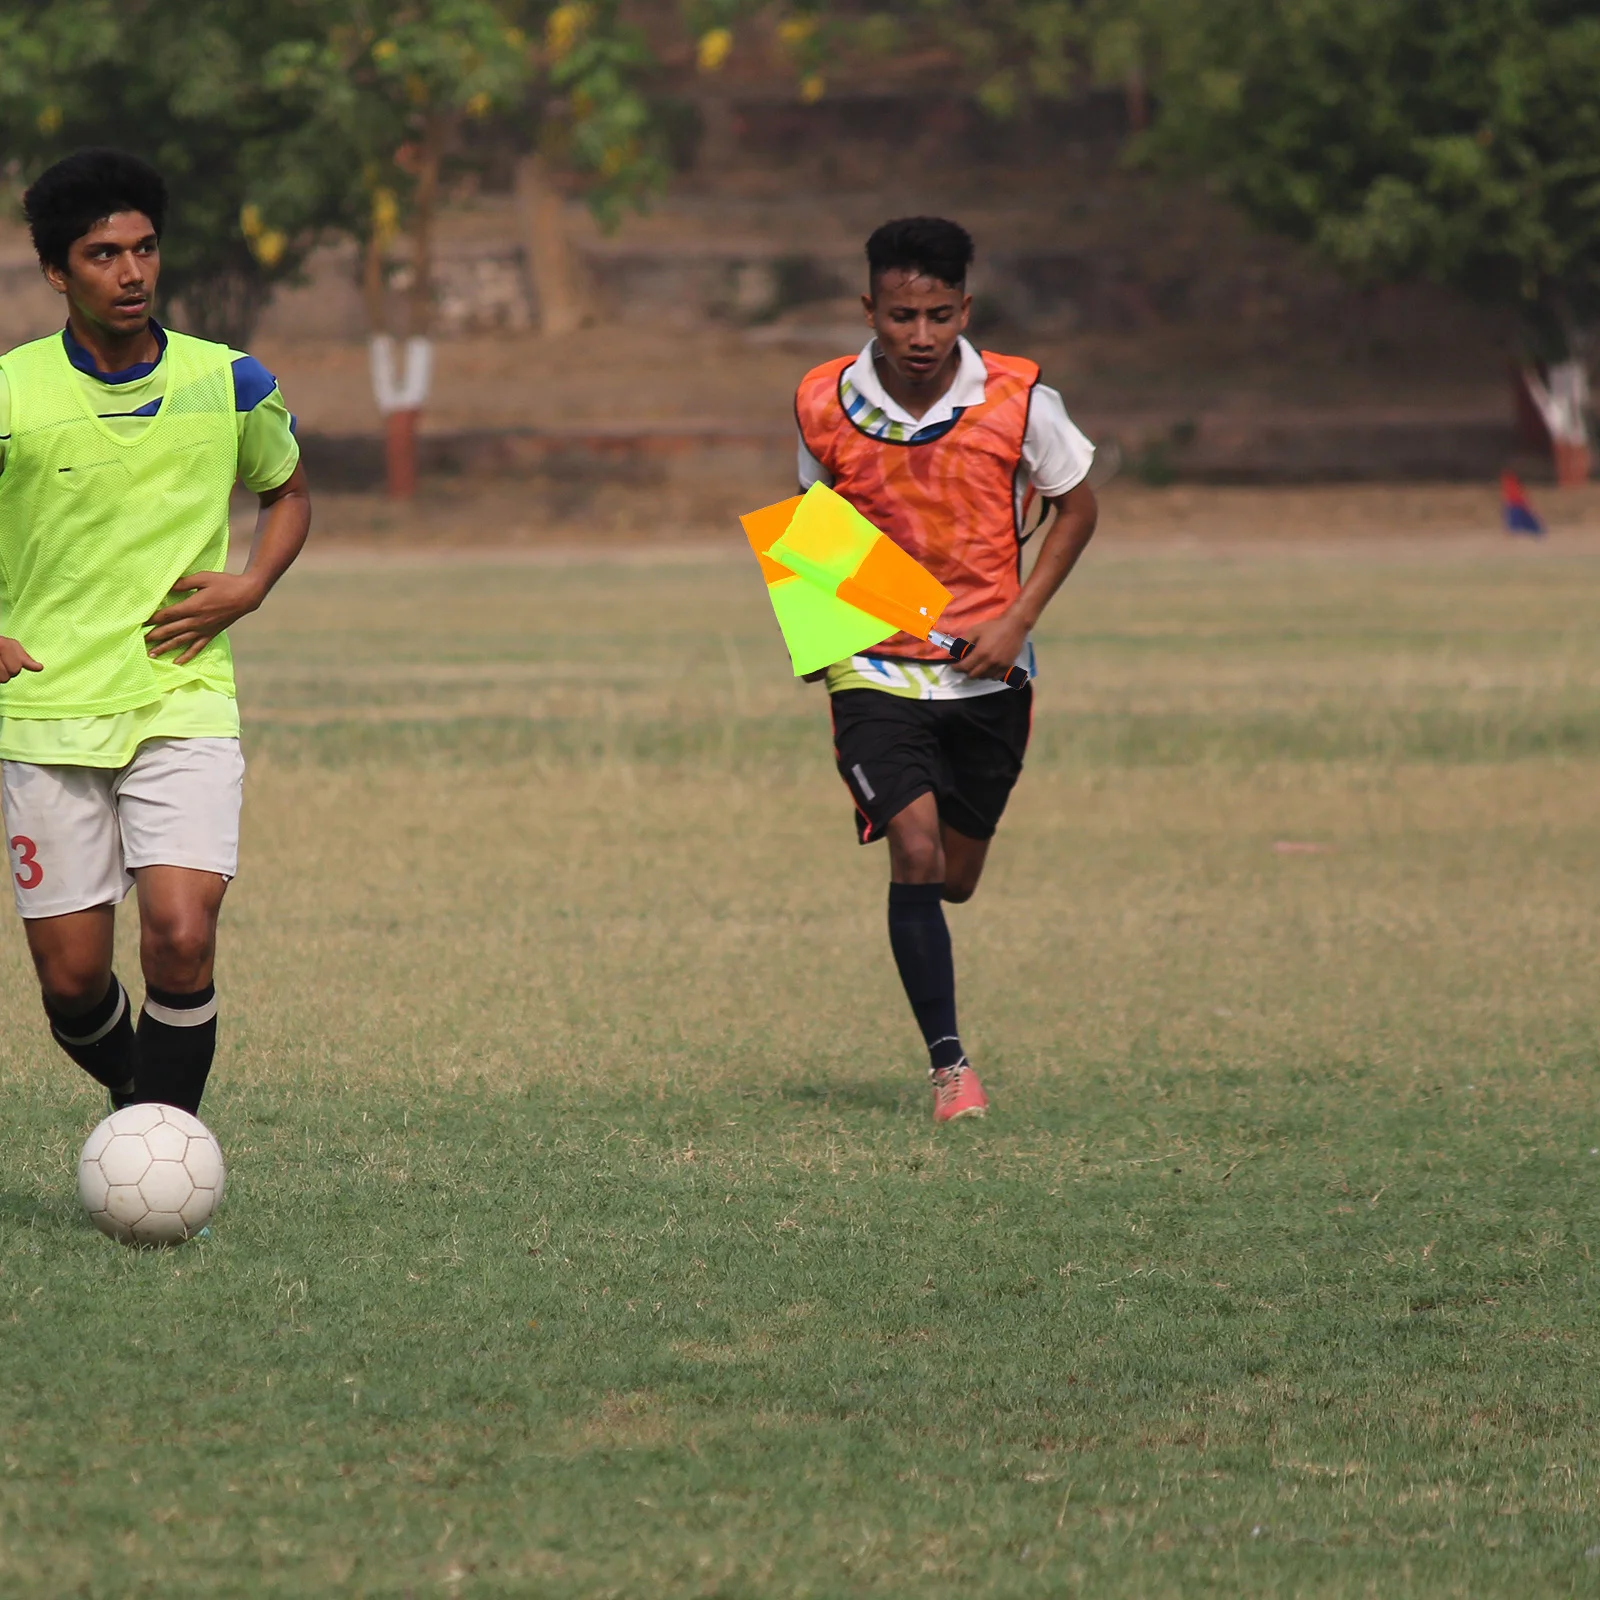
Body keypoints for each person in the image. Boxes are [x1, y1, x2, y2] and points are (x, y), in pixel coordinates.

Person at [0, 149, 310, 1116]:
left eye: (143, 249)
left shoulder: (232, 381)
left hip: (182, 695)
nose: (130, 273)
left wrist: (251, 583)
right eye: (101, 255)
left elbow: (287, 491)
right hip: (44, 709)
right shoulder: (11, 396)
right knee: (71, 983)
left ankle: (167, 1143)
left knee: (182, 932)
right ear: (57, 272)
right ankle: (143, 1106)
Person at [795, 216, 1098, 1122]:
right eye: (900, 316)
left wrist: (1017, 620)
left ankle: (939, 942)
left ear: (964, 307)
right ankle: (950, 1071)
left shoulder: (1018, 398)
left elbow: (1077, 510)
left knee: (954, 876)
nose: (920, 336)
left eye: (937, 315)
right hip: (875, 670)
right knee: (914, 849)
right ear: (870, 310)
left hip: (987, 676)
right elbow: (818, 524)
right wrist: (820, 636)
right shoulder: (821, 398)